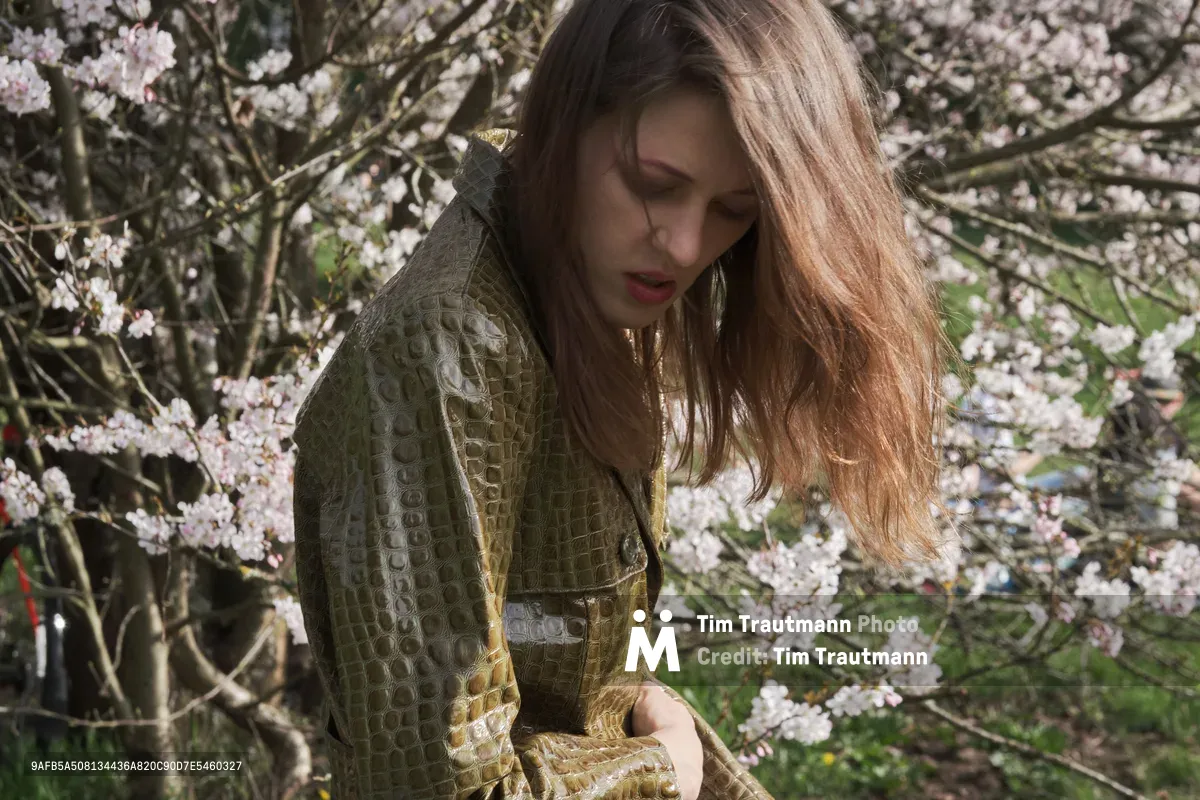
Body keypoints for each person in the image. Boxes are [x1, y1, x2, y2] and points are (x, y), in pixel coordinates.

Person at [290, 1, 953, 798]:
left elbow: (596, 695)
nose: (685, 246)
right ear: (566, 126)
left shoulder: (590, 292)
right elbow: (440, 786)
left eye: (734, 211)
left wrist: (692, 768)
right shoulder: (448, 351)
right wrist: (659, 774)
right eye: (652, 185)